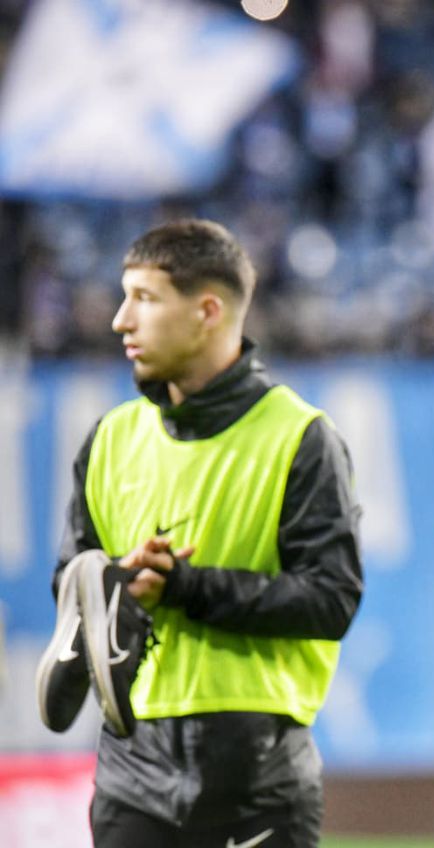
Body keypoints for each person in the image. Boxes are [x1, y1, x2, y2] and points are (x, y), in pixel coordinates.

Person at [34, 219, 363, 848]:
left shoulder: (301, 437)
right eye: (125, 297)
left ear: (208, 311)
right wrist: (121, 583)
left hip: (259, 775)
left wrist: (186, 587)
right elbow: (71, 584)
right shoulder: (109, 438)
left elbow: (331, 601)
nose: (120, 320)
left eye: (145, 298)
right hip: (131, 771)